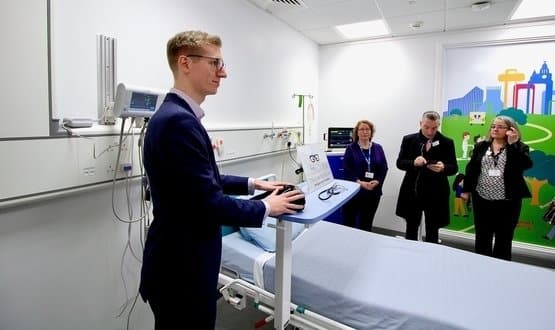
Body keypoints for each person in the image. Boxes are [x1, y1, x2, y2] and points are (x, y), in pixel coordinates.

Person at [139, 30, 304, 329]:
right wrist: (268, 207)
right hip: (181, 268)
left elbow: (201, 181)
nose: (223, 72)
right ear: (185, 63)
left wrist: (254, 184)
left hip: (181, 263)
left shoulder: (178, 117)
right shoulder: (178, 122)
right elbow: (208, 203)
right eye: (215, 63)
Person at [460, 116, 532, 260]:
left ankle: (501, 272)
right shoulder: (481, 146)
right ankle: (481, 269)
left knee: (503, 240)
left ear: (511, 129)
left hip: (507, 202)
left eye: (500, 127)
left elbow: (525, 165)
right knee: (482, 237)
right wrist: (466, 190)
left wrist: (512, 145)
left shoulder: (519, 147)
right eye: (493, 126)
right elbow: (472, 169)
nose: (495, 129)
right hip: (482, 199)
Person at [395, 111, 458, 243]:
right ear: (420, 124)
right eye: (426, 127)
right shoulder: (409, 140)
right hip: (413, 191)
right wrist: (413, 163)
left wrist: (443, 167)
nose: (430, 132)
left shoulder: (447, 142)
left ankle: (431, 258)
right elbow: (400, 163)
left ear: (439, 125)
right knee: (411, 228)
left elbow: (454, 168)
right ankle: (411, 254)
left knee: (433, 230)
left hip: (436, 193)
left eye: (434, 128)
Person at [341, 120, 388, 232]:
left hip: (373, 193)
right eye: (361, 129)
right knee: (349, 223)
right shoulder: (351, 148)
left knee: (367, 223)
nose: (365, 132)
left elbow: (384, 168)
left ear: (371, 132)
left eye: (367, 129)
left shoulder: (378, 148)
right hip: (354, 193)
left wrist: (377, 181)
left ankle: (365, 247)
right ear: (357, 132)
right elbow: (347, 170)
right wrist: (360, 183)